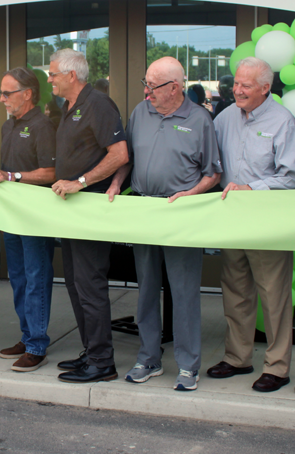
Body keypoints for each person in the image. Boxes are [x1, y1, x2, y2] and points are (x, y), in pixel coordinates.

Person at [109, 57, 222, 391]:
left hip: (180, 213)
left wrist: (190, 194)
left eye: (152, 86)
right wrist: (117, 183)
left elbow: (213, 173)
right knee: (146, 289)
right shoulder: (139, 113)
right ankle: (148, 357)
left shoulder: (200, 119)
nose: (146, 92)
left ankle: (188, 366)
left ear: (175, 87)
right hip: (144, 208)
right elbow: (127, 157)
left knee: (184, 291)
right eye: (145, 84)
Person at [208, 57, 295, 393]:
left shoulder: (283, 121)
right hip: (232, 219)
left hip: (267, 221)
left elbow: (289, 178)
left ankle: (277, 367)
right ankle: (237, 358)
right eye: (236, 83)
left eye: (246, 85)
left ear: (265, 88)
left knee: (273, 297)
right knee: (235, 292)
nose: (238, 90)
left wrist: (251, 188)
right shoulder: (225, 117)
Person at [46, 48, 128, 383]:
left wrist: (81, 182)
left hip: (90, 208)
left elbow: (120, 154)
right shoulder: (67, 107)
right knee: (76, 286)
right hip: (70, 212)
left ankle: (103, 362)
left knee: (90, 286)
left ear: (71, 75)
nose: (48, 79)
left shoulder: (99, 104)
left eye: (52, 74)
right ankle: (90, 351)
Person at [0, 68, 57, 372]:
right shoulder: (8, 125)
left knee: (37, 277)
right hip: (11, 214)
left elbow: (52, 174)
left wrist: (13, 176)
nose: (0, 99)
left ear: (27, 94)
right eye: (0, 93)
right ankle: (28, 337)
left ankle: (37, 345)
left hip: (35, 215)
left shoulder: (43, 126)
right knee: (19, 278)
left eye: (7, 93)